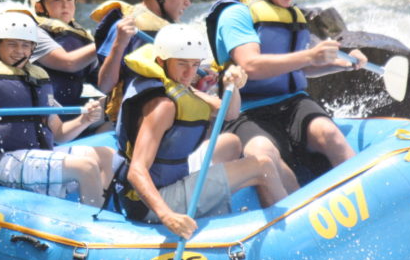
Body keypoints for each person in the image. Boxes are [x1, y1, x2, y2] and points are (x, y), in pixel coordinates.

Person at [110, 24, 293, 238]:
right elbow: (136, 171)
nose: (189, 72)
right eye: (182, 64)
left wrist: (232, 85)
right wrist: (167, 216)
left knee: (231, 141)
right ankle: (289, 235)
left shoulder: (179, 87)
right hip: (151, 203)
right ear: (161, 61)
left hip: (170, 185)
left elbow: (230, 112)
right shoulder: (162, 106)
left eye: (194, 64)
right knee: (262, 166)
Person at [207, 0, 368, 185]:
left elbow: (299, 67)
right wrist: (311, 56)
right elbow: (251, 65)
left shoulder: (291, 16)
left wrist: (344, 64)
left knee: (330, 134)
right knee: (266, 158)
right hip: (246, 110)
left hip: (293, 102)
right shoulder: (236, 15)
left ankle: (366, 193)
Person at [0, 10, 113, 207]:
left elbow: (58, 133)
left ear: (33, 49)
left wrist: (85, 120)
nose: (19, 51)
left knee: (106, 155)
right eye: (12, 44)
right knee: (85, 167)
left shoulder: (38, 77)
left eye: (25, 45)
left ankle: (105, 216)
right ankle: (93, 224)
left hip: (34, 155)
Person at [91, 0, 194, 121]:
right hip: (136, 115)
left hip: (172, 106)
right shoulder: (126, 25)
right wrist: (119, 44)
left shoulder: (176, 29)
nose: (188, 2)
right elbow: (105, 85)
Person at [28, 0, 99, 109]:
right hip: (42, 112)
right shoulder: (33, 33)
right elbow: (69, 63)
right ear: (39, 7)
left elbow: (102, 82)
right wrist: (106, 40)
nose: (65, 5)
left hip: (69, 111)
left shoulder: (83, 38)